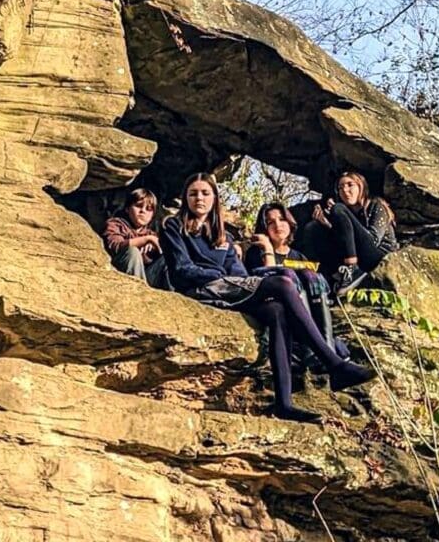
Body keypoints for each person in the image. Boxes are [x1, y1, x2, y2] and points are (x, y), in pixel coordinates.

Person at [161, 172, 376, 423]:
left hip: (230, 289)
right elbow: (181, 269)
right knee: (283, 283)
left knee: (277, 311)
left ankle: (283, 404)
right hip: (200, 289)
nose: (199, 198)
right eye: (193, 193)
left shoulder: (224, 236)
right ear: (186, 198)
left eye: (205, 193)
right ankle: (334, 364)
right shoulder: (173, 226)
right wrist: (218, 272)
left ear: (214, 198)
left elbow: (238, 273)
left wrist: (235, 274)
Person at [244, 202, 342, 357]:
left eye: (282, 219)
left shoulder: (298, 256)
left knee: (312, 277)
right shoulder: (255, 253)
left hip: (310, 312)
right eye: (270, 222)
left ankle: (327, 349)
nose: (278, 225)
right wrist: (268, 250)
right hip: (278, 309)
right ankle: (310, 350)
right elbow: (265, 283)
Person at [302, 171, 398, 297]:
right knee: (314, 227)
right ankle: (326, 278)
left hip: (378, 256)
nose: (345, 190)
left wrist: (341, 214)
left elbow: (373, 240)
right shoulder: (347, 212)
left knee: (338, 209)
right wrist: (327, 224)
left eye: (350, 185)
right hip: (358, 255)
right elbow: (346, 241)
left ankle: (352, 268)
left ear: (361, 186)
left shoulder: (376, 205)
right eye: (340, 188)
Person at [102, 188, 170, 290]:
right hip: (121, 275)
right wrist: (145, 240)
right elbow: (114, 245)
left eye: (148, 209)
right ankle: (139, 293)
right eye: (138, 206)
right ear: (127, 208)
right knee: (132, 252)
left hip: (148, 278)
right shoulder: (116, 224)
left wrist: (156, 247)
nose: (143, 211)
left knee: (168, 257)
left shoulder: (151, 234)